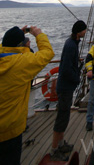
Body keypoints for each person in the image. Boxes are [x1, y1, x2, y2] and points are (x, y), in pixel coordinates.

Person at [0, 25, 54, 165]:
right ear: (21, 45)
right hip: (9, 131)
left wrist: (15, 37)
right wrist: (39, 35)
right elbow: (47, 53)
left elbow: (6, 48)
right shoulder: (22, 63)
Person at [50, 20, 87, 161]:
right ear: (79, 32)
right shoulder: (71, 45)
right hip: (65, 87)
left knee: (64, 117)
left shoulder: (72, 43)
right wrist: (76, 79)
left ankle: (60, 144)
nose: (85, 32)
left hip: (67, 87)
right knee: (61, 118)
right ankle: (54, 149)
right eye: (84, 30)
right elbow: (65, 69)